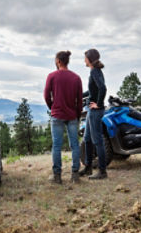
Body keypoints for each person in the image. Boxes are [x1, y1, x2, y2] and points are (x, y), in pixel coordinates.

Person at [44, 51, 83, 184]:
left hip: (57, 115)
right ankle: (75, 175)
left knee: (57, 146)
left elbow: (46, 96)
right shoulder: (76, 78)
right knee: (75, 145)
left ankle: (57, 176)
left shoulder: (52, 76)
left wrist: (53, 107)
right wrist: (77, 114)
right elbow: (80, 100)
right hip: (72, 115)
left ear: (58, 61)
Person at [79, 48, 108, 179]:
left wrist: (99, 104)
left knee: (97, 141)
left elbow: (103, 88)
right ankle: (88, 168)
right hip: (91, 110)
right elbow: (92, 91)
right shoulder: (94, 71)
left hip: (96, 110)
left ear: (89, 59)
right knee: (87, 139)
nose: (84, 60)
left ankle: (102, 172)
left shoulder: (95, 72)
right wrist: (78, 95)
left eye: (85, 57)